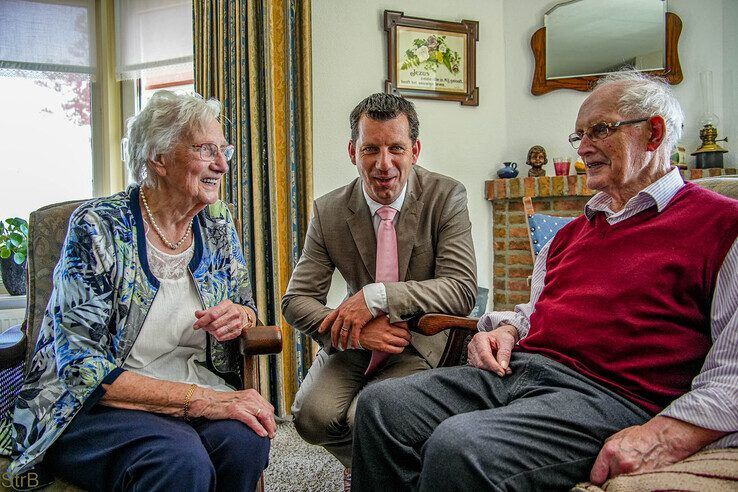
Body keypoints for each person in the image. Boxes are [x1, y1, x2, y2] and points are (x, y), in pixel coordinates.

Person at [351, 71, 738, 490]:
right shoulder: (569, 236)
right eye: (579, 136)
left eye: (599, 131)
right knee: (381, 405)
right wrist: (505, 329)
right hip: (523, 370)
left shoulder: (723, 226)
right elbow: (536, 312)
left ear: (653, 133)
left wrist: (666, 433)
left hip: (611, 396)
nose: (584, 148)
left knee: (460, 445)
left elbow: (732, 372)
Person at [7, 91, 276, 491]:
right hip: (98, 403)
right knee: (179, 461)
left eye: (224, 150)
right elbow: (81, 366)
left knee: (246, 441)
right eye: (206, 150)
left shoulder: (217, 228)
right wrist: (201, 401)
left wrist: (241, 315)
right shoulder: (98, 227)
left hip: (193, 381)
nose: (221, 165)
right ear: (159, 158)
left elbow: (246, 305)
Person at [281, 93, 477, 483]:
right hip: (354, 341)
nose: (383, 164)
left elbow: (461, 288)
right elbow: (296, 301)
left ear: (415, 150)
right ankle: (380, 462)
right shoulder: (329, 210)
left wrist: (377, 296)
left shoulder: (447, 196)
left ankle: (379, 471)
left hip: (418, 341)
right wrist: (357, 331)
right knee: (310, 417)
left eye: (396, 148)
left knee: (366, 414)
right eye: (370, 149)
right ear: (353, 151)